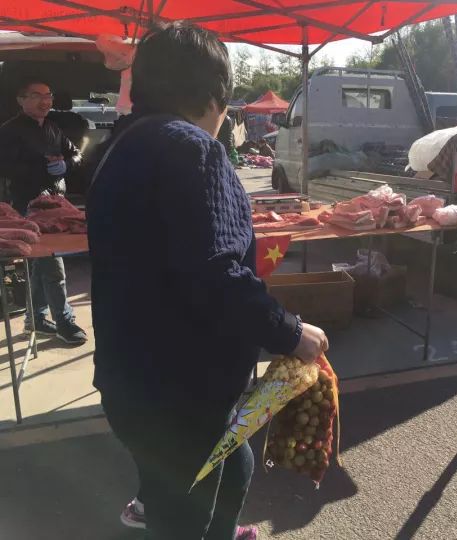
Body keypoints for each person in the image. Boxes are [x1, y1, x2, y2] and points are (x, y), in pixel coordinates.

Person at [87, 22, 328, 539]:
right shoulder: (194, 149)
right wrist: (289, 332)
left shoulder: (119, 145)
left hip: (131, 378)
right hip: (179, 391)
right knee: (184, 516)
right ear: (215, 95)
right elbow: (217, 274)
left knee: (230, 465)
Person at [0, 80, 88, 344]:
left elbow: (76, 154)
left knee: (41, 264)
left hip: (55, 202)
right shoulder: (9, 131)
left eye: (48, 95)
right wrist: (42, 168)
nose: (45, 101)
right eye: (37, 95)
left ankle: (36, 319)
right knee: (52, 266)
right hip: (27, 205)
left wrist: (66, 165)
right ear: (21, 100)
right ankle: (64, 321)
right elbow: (5, 167)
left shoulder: (52, 127)